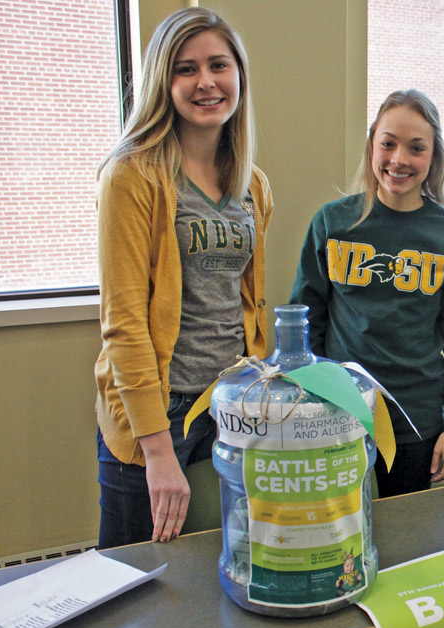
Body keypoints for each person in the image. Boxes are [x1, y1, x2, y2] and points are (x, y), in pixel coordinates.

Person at [94, 7, 272, 548]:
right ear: (162, 82)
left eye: (218, 65)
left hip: (230, 405)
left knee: (228, 559)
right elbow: (124, 323)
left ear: (239, 75)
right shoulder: (132, 175)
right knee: (138, 573)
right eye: (186, 69)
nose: (206, 82)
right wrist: (157, 450)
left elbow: (246, 302)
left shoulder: (253, 184)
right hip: (158, 411)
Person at [290, 89, 444, 497]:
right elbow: (304, 322)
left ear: (433, 156)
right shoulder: (332, 223)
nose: (399, 159)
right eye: (388, 143)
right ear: (372, 146)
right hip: (338, 413)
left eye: (416, 148)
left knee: (408, 529)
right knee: (338, 528)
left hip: (416, 422)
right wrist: (310, 402)